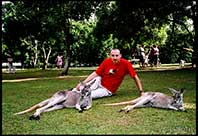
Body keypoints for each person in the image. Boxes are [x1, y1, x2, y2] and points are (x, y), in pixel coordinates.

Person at [76, 48, 143, 99]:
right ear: (110, 56)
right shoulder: (106, 61)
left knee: (89, 95)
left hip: (107, 90)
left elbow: (135, 77)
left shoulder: (126, 64)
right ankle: (73, 92)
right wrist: (83, 82)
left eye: (117, 55)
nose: (115, 58)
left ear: (120, 56)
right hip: (99, 82)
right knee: (81, 88)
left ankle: (75, 96)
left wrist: (141, 91)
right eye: (113, 55)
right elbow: (96, 73)